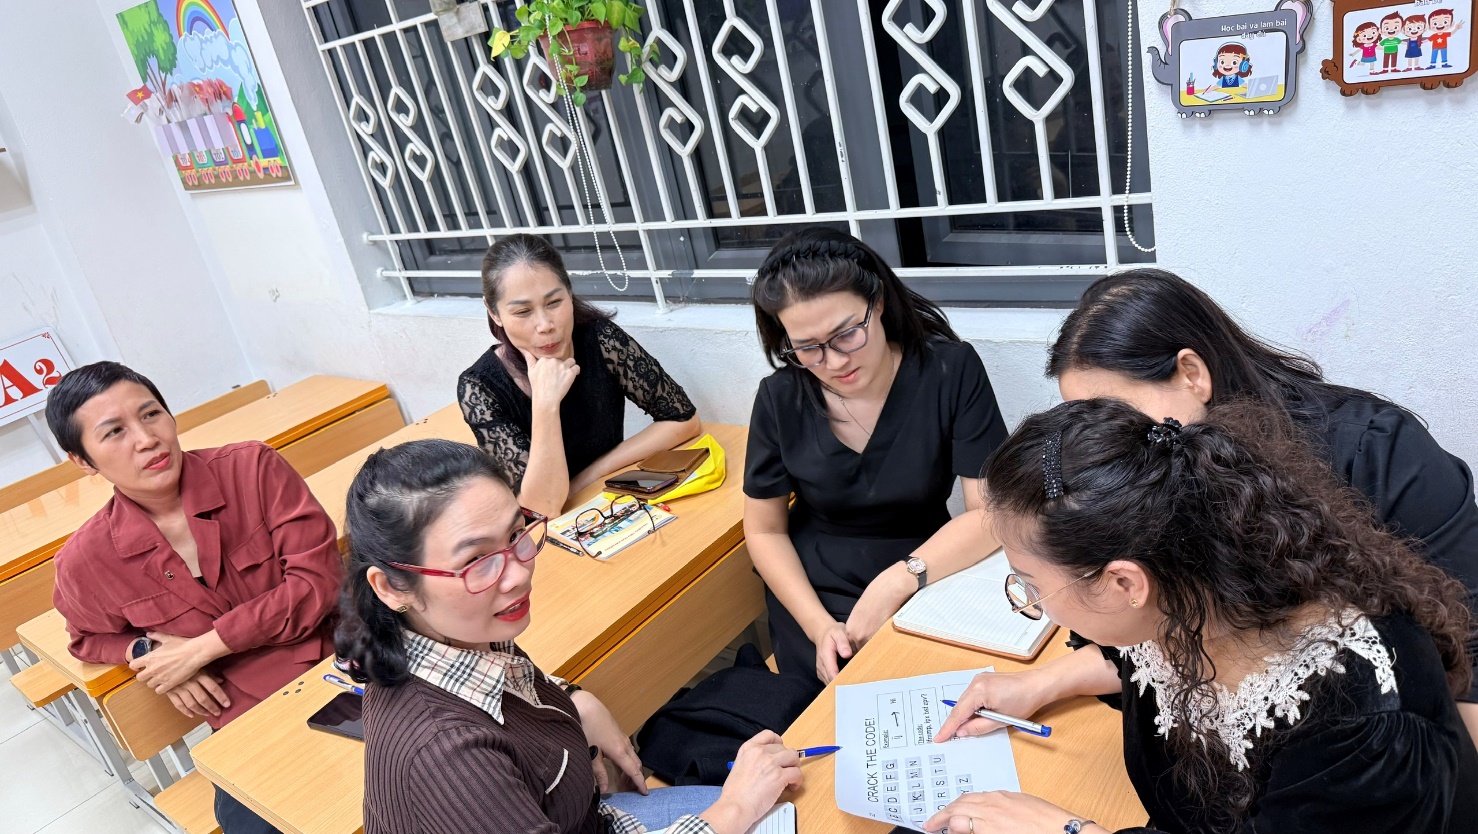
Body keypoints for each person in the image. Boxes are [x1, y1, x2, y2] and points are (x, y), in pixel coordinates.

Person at [928, 398, 1478, 834]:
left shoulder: (1358, 733)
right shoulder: (1192, 590)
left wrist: (1067, 830)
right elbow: (1135, 660)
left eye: (1028, 584)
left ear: (1123, 583)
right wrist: (1042, 682)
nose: (1029, 601)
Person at [1047, 267, 1478, 743]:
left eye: (1120, 416)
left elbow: (1468, 648)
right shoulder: (1164, 480)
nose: (1109, 445)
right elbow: (1162, 632)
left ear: (1192, 374)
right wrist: (1038, 684)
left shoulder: (1375, 450)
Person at [337, 439, 801, 834]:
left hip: (594, 819)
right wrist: (733, 809)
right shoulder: (447, 757)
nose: (517, 574)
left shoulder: (455, 633)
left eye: (518, 534)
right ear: (391, 587)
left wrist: (574, 698)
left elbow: (506, 691)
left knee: (795, 793)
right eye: (477, 561)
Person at [47, 362, 343, 834]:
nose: (146, 439)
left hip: (343, 665)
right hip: (245, 715)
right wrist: (148, 655)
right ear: (82, 461)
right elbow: (85, 638)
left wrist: (199, 651)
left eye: (151, 414)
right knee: (252, 824)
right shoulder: (86, 560)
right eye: (115, 432)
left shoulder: (252, 468)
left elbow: (317, 585)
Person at [744, 227, 1008, 689]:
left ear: (879, 303)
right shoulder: (780, 396)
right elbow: (764, 530)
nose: (834, 361)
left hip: (925, 570)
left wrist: (899, 582)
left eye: (847, 333)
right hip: (814, 592)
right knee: (826, 714)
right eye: (808, 348)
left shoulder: (950, 371)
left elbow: (990, 513)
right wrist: (819, 625)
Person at [458, 234, 701, 520]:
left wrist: (590, 475)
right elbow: (541, 507)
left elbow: (683, 420)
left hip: (611, 499)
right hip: (550, 532)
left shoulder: (600, 339)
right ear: (494, 312)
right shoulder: (480, 388)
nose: (545, 325)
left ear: (569, 292)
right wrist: (546, 405)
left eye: (554, 302)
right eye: (523, 311)